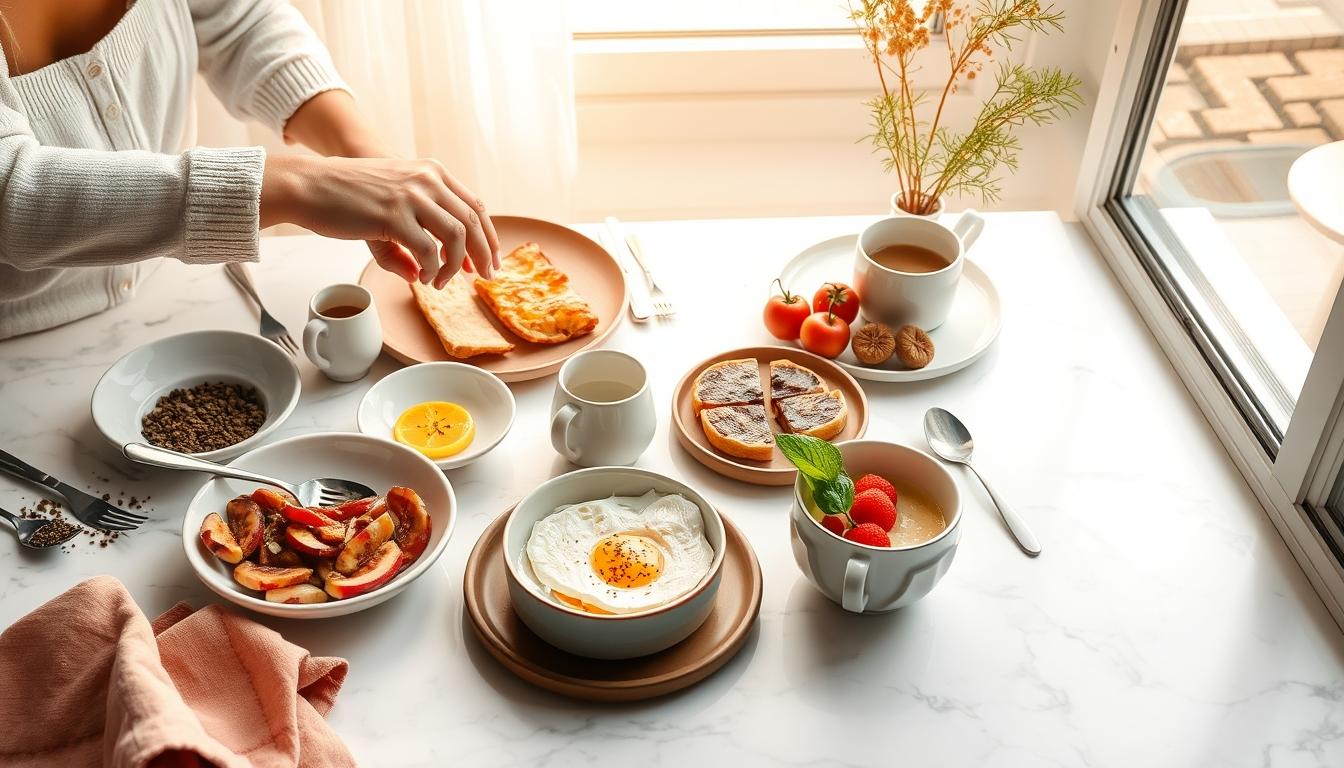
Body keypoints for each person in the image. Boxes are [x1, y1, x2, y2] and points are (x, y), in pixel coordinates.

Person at [0, 0, 499, 339]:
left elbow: (241, 23)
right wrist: (296, 185)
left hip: (174, 293)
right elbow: (14, 190)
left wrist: (368, 157)